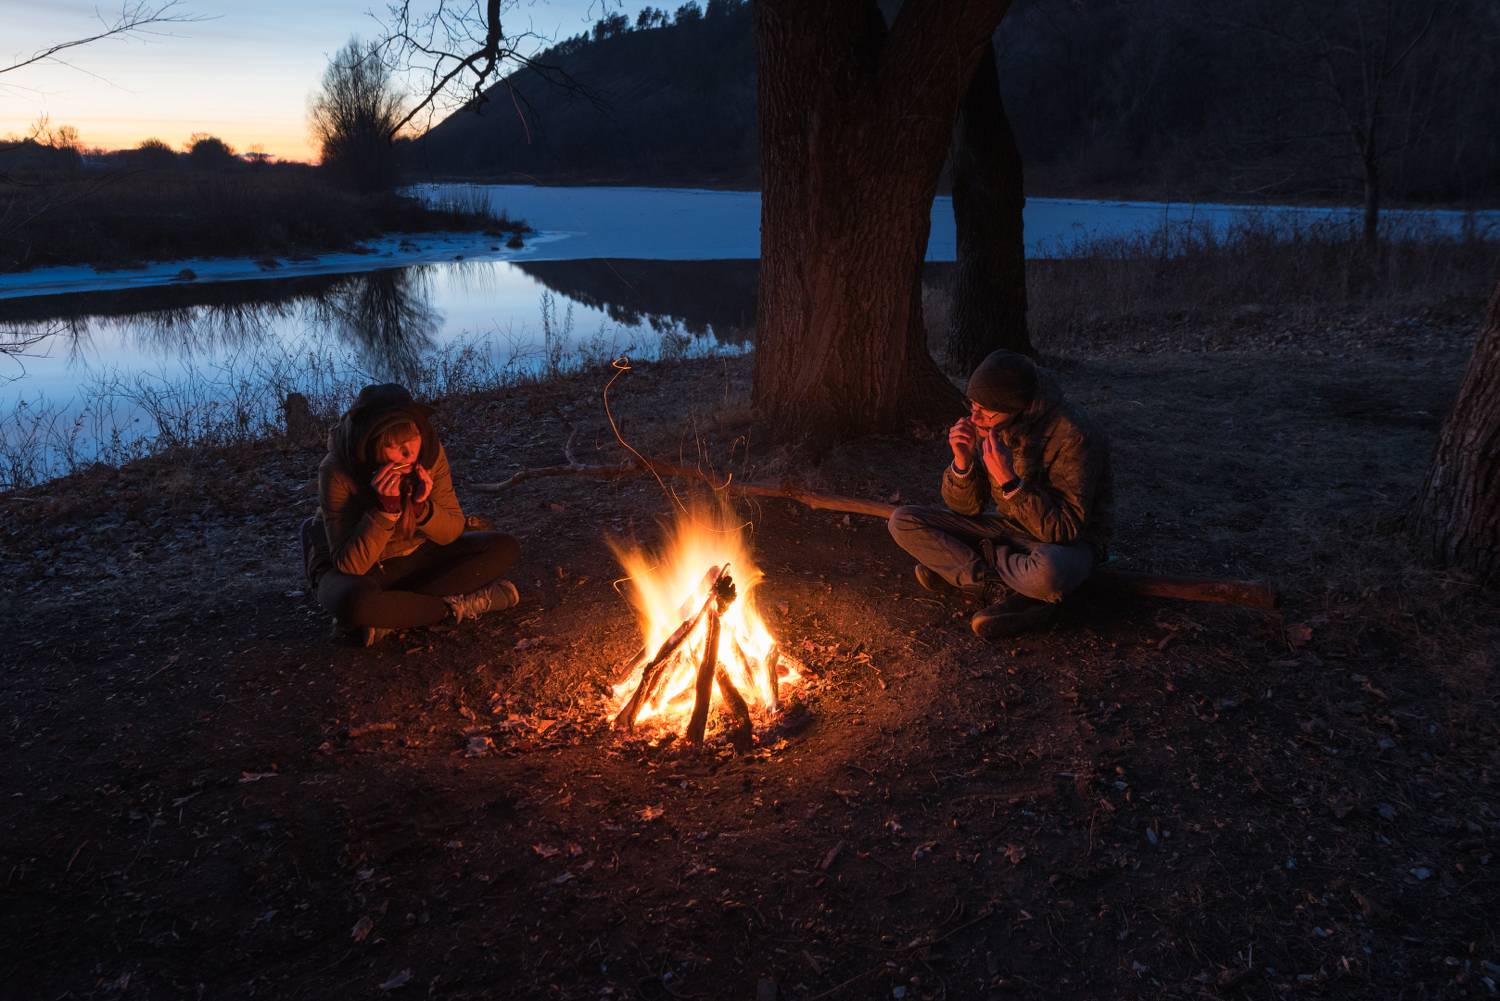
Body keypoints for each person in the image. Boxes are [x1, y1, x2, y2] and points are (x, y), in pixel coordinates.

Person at [888, 350, 1112, 639]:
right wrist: (962, 463)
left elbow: (1064, 529)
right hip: (1009, 527)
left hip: (1068, 545)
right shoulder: (990, 422)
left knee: (1048, 574)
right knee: (903, 521)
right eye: (972, 405)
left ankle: (970, 572)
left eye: (986, 410)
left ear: (1018, 407)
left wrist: (1009, 482)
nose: (975, 416)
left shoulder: (1075, 435)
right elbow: (966, 509)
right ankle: (1003, 588)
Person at [303, 383, 520, 646]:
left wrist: (421, 509)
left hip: (415, 555)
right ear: (370, 445)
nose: (409, 452)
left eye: (412, 438)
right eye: (395, 445)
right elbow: (350, 565)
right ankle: (452, 608)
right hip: (365, 571)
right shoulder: (337, 470)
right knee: (356, 604)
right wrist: (385, 510)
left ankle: (396, 614)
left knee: (503, 548)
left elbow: (452, 531)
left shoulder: (429, 453)